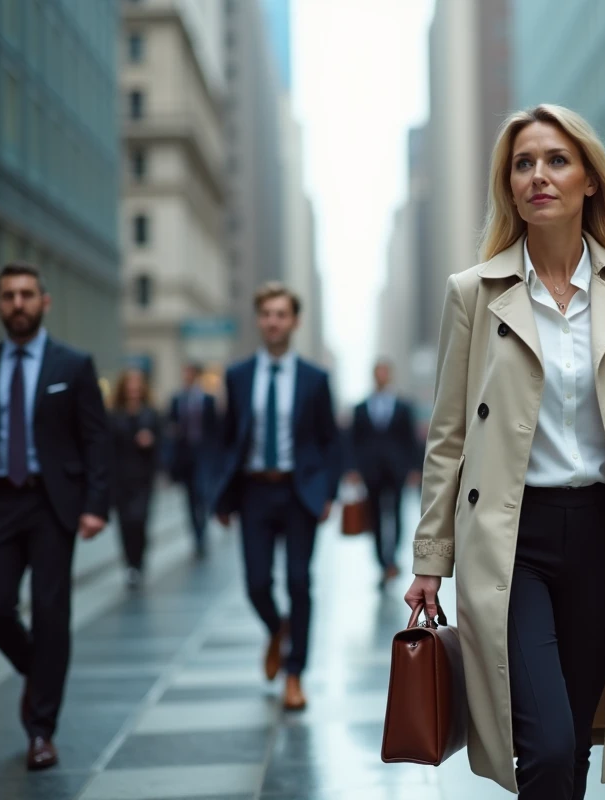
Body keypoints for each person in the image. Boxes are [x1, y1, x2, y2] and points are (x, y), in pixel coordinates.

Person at [404, 104, 605, 798]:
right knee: (543, 746)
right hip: (514, 542)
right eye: (523, 164)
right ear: (508, 186)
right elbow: (448, 436)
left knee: (572, 744)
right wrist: (431, 559)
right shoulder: (474, 295)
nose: (538, 175)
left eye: (555, 160)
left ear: (590, 181)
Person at [0, 262, 110, 770]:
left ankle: (41, 730)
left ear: (45, 302)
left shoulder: (74, 365)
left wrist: (94, 504)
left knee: (50, 612)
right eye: (8, 296)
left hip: (52, 505)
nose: (17, 303)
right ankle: (39, 672)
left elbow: (96, 439)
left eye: (26, 294)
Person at [212, 283, 339, 712]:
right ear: (258, 320)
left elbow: (329, 440)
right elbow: (227, 438)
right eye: (266, 313)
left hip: (298, 491)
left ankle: (294, 674)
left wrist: (328, 493)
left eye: (281, 314)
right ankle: (278, 628)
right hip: (252, 492)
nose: (273, 321)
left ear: (295, 322)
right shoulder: (238, 375)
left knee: (300, 582)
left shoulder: (315, 379)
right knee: (256, 584)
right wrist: (221, 498)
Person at [345, 360, 420, 585]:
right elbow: (353, 441)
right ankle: (382, 561)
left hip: (396, 470)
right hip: (371, 471)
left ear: (390, 376)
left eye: (385, 372)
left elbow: (411, 440)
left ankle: (393, 557)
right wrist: (353, 469)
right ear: (373, 376)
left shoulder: (403, 406)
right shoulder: (360, 408)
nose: (382, 376)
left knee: (396, 513)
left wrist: (414, 468)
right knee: (375, 515)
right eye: (378, 373)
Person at [110, 368, 162, 588]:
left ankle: (139, 561)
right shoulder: (113, 415)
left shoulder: (150, 414)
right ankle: (130, 564)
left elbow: (163, 443)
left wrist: (151, 442)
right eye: (129, 386)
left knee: (139, 520)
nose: (133, 391)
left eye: (136, 386)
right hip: (120, 477)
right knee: (124, 523)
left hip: (143, 477)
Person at [168, 363, 218, 558]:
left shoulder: (208, 400)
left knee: (201, 494)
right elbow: (170, 428)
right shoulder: (177, 400)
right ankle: (196, 536)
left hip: (203, 455)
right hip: (185, 457)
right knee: (189, 499)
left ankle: (203, 533)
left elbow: (215, 430)